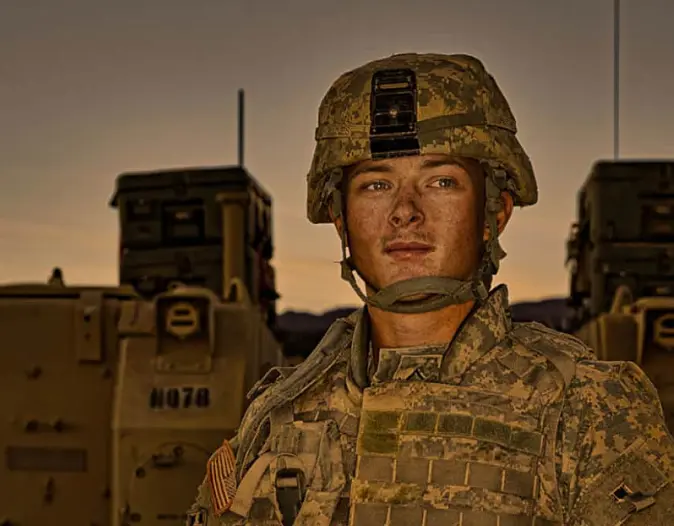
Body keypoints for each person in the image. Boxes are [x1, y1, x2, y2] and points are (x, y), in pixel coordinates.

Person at [186, 53, 674, 525]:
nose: (405, 212)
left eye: (441, 181)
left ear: (494, 214)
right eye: (376, 185)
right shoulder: (279, 412)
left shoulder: (590, 406)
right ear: (341, 220)